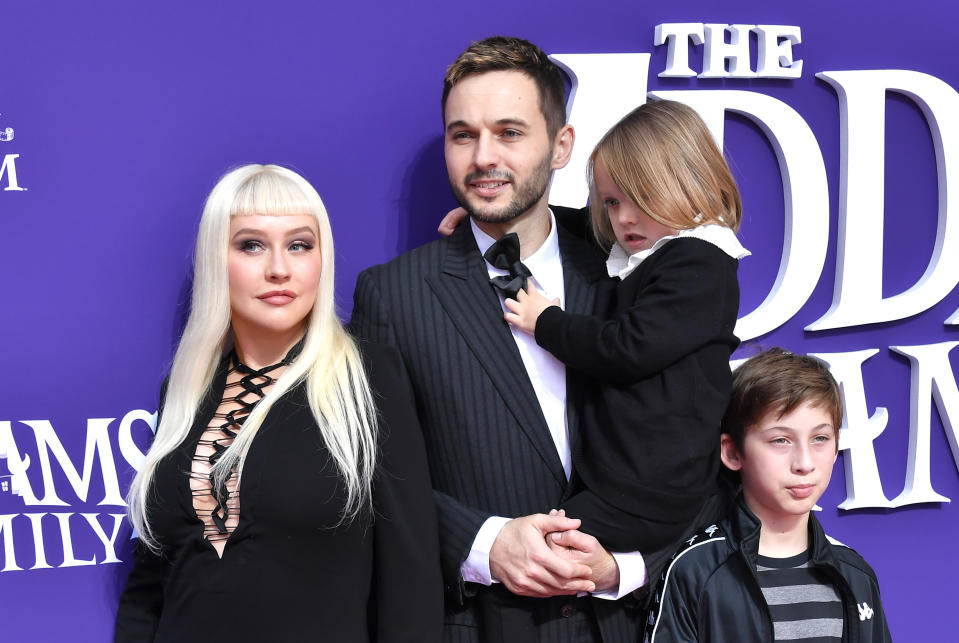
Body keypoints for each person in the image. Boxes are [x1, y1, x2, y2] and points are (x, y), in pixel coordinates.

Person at [351, 37, 644, 642]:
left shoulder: (634, 271)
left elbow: (695, 440)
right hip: (481, 624)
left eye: (510, 132)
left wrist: (624, 565)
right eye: (463, 135)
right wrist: (485, 542)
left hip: (629, 621)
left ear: (562, 146)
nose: (484, 157)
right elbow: (371, 474)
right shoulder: (393, 294)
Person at [115, 164, 442, 643]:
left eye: (299, 245)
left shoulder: (368, 379)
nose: (279, 269)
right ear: (215, 259)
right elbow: (149, 586)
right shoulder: (184, 392)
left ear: (321, 258)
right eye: (251, 244)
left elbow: (410, 581)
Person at [501, 100, 749, 562]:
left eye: (642, 198)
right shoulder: (650, 244)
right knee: (548, 547)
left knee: (547, 550)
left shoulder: (699, 263)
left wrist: (547, 323)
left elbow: (627, 348)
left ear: (690, 184)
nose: (624, 219)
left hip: (650, 491)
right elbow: (576, 224)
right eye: (612, 202)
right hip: (626, 481)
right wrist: (500, 226)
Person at [644, 348, 892, 642]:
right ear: (733, 452)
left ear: (837, 448)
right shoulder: (694, 570)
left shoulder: (855, 575)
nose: (804, 463)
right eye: (780, 440)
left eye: (820, 439)